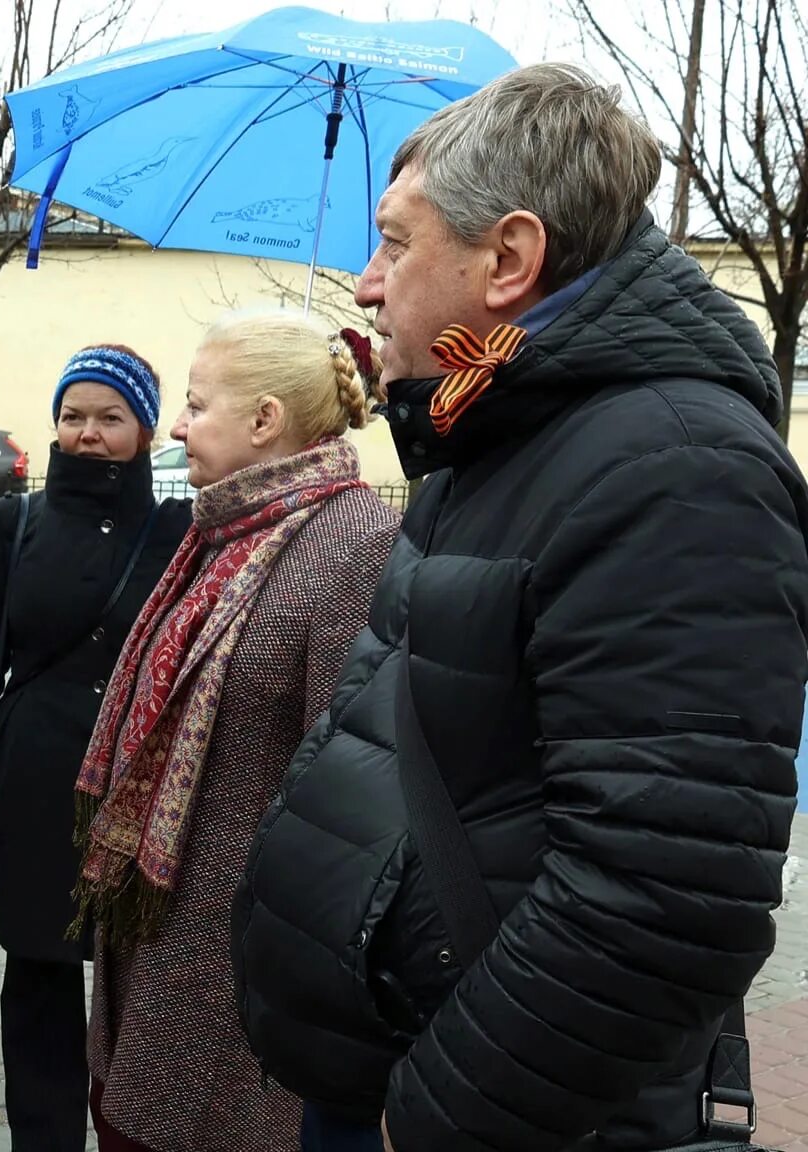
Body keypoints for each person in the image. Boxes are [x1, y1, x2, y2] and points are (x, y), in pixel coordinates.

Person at [231, 64, 808, 1152]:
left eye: (396, 244)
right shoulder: (496, 431)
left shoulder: (678, 468)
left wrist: (437, 1121)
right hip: (396, 1061)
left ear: (508, 260)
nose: (365, 284)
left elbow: (668, 892)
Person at [78, 311, 398, 1152]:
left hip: (235, 989)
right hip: (157, 953)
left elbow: (353, 813)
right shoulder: (220, 530)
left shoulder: (356, 543)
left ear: (265, 420)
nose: (176, 426)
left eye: (194, 404)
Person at [0, 344, 189, 1151]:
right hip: (34, 780)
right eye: (73, 416)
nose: (88, 433)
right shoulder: (18, 522)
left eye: (110, 418)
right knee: (40, 976)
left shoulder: (183, 529)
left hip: (138, 783)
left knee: (136, 979)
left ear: (145, 431)